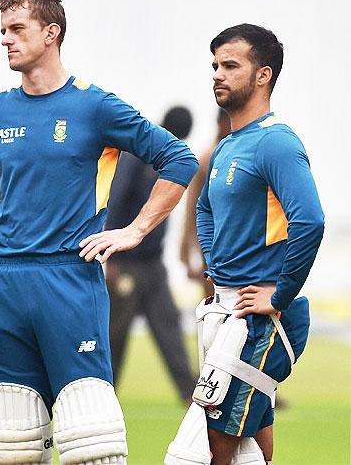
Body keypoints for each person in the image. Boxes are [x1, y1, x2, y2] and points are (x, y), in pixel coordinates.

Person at [0, 0, 198, 465]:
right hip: (5, 282)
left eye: (17, 30)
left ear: (51, 32)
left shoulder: (94, 106)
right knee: (13, 441)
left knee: (90, 436)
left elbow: (177, 160)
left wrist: (135, 230)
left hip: (70, 278)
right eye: (2, 31)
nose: (6, 40)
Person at [166, 24, 324, 465]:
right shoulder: (227, 146)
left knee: (202, 453)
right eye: (215, 65)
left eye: (230, 65)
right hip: (227, 310)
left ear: (263, 75)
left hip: (261, 321)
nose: (217, 74)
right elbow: (204, 210)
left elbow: (310, 221)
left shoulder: (276, 142)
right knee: (248, 445)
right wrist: (217, 268)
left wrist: (281, 292)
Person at [105, 105, 197, 403]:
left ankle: (192, 398)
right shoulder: (136, 156)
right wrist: (111, 260)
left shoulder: (170, 158)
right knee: (115, 337)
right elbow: (115, 204)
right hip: (127, 263)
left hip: (154, 264)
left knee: (170, 330)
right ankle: (103, 397)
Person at [179, 109, 231, 299]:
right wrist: (186, 253)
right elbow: (192, 208)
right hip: (212, 252)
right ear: (221, 122)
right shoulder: (208, 159)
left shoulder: (246, 153)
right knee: (215, 313)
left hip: (241, 252)